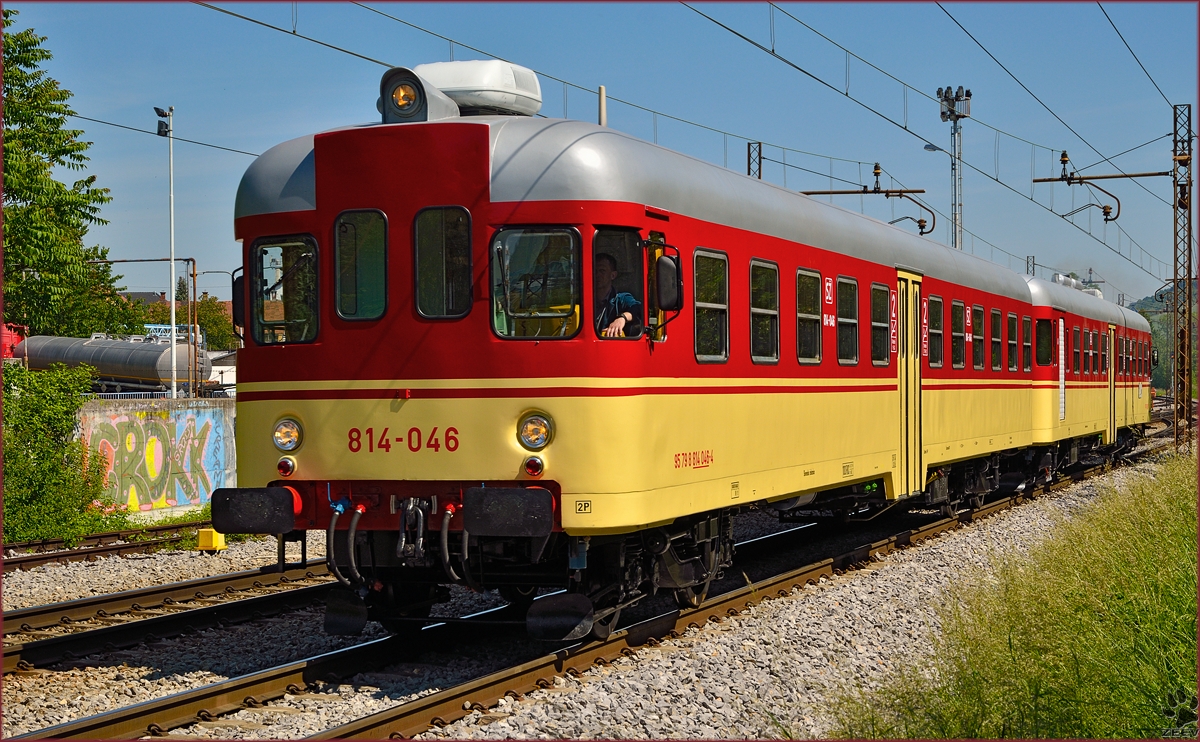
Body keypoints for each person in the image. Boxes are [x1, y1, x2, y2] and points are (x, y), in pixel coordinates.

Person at [593, 253, 643, 338]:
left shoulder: (621, 299)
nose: (597, 275)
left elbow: (638, 308)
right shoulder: (583, 300)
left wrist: (622, 318)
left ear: (613, 275)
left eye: (602, 271)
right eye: (594, 270)